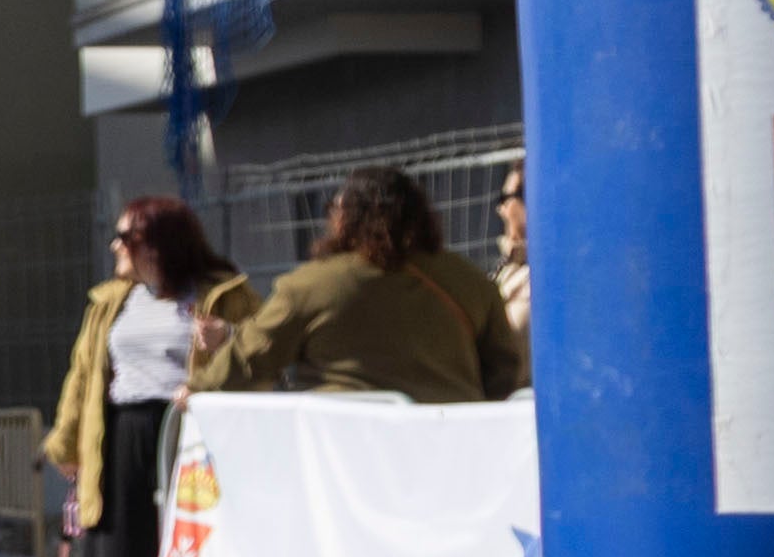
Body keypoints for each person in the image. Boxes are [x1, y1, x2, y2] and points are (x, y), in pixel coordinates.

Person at [38, 195, 258, 557]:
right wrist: (67, 445)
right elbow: (84, 374)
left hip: (190, 437)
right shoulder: (112, 301)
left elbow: (265, 350)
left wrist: (228, 340)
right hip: (121, 437)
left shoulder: (220, 294)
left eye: (126, 237)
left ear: (158, 245)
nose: (115, 246)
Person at [197, 164, 526, 403]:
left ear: (345, 219)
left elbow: (249, 359)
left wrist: (197, 388)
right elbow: (506, 374)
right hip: (451, 454)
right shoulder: (472, 283)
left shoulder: (309, 286)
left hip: (345, 462)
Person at [492, 159, 535, 359]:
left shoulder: (536, 275)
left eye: (505, 198)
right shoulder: (512, 265)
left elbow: (505, 346)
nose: (500, 209)